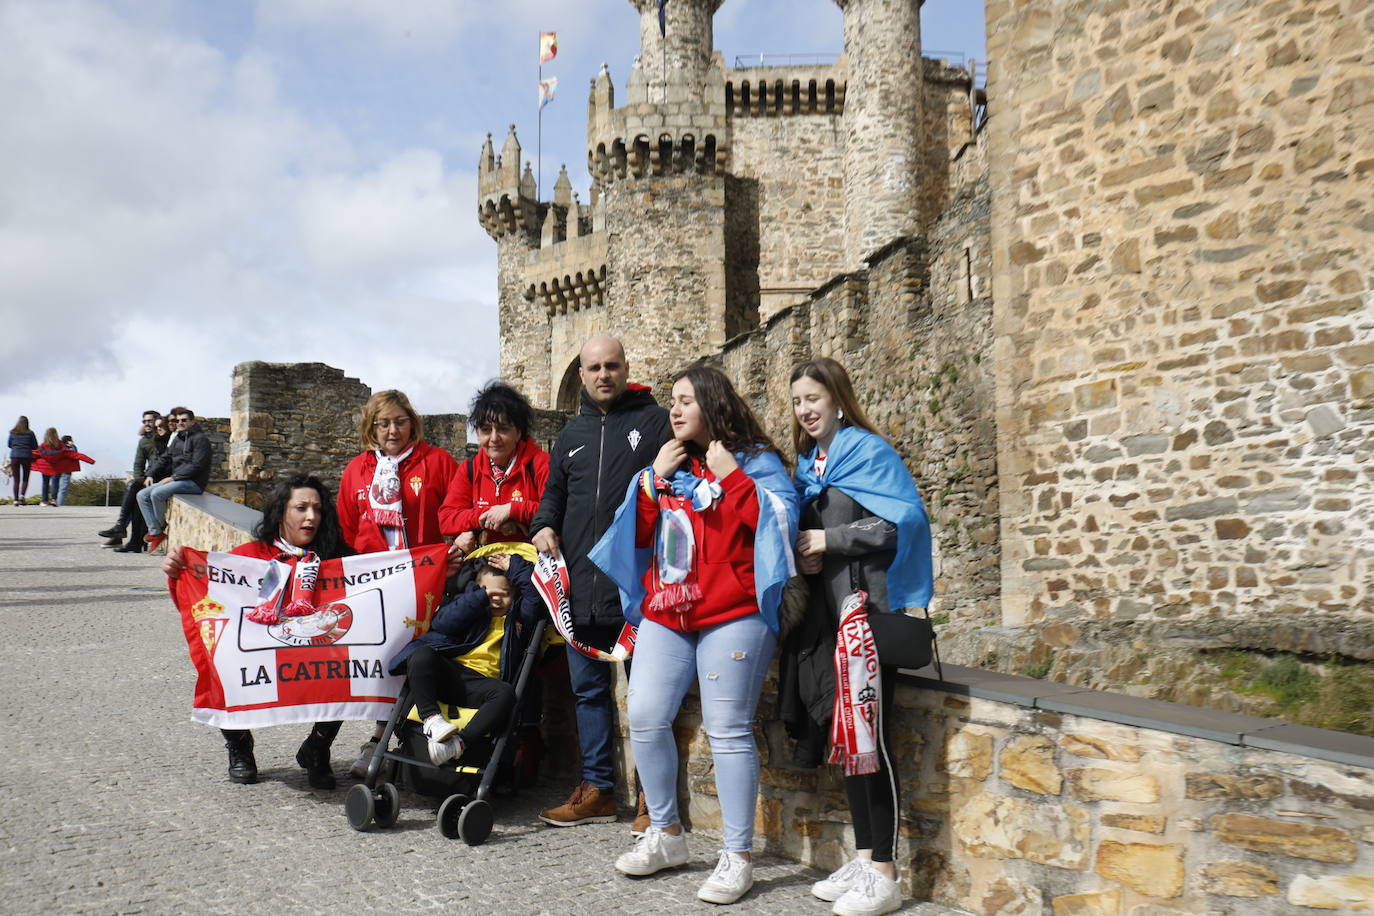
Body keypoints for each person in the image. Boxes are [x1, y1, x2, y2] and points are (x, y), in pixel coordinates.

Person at [591, 365, 797, 905]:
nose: (675, 411)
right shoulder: (667, 466)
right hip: (669, 612)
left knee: (728, 728)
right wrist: (650, 483)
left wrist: (732, 478)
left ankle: (736, 855)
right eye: (673, 403)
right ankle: (667, 833)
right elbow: (629, 537)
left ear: (713, 404)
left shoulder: (755, 463)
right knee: (644, 714)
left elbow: (778, 531)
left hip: (734, 612)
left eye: (685, 401)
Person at [783, 357, 933, 916]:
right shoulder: (810, 466)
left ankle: (886, 874)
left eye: (814, 399)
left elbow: (900, 523)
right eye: (797, 401)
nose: (805, 410)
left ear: (838, 399)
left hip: (868, 619)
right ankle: (867, 855)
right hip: (829, 623)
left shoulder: (869, 453)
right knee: (849, 743)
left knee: (874, 741)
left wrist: (829, 539)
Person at [529, 334, 671, 828]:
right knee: (587, 693)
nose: (603, 375)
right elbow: (554, 494)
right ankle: (598, 790)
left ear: (625, 367)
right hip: (580, 590)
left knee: (646, 695)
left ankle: (655, 798)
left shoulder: (653, 422)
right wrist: (543, 524)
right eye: (594, 368)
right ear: (583, 374)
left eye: (612, 366)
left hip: (635, 590)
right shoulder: (570, 434)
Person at [162, 474, 351, 788]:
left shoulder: (337, 558)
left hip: (312, 645)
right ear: (280, 513)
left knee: (348, 665)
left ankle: (317, 748)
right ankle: (239, 747)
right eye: (301, 508)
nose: (311, 517)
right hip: (261, 646)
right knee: (220, 663)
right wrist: (177, 575)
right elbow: (206, 601)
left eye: (317, 509)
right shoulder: (248, 557)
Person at [337, 389, 460, 777]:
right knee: (382, 664)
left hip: (428, 585)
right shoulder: (357, 469)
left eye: (400, 421)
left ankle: (404, 739)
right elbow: (346, 526)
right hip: (379, 588)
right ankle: (378, 739)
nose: (392, 430)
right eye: (383, 423)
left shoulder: (437, 462)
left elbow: (457, 514)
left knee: (420, 660)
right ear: (371, 427)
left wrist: (452, 554)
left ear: (413, 422)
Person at [387, 552, 542, 766]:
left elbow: (535, 597)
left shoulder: (519, 618)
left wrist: (517, 567)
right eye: (489, 592)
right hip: (453, 674)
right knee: (422, 655)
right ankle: (432, 720)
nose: (496, 598)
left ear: (514, 595)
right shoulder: (471, 607)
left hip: (483, 686)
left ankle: (459, 744)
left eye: (504, 593)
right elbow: (443, 623)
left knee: (506, 694)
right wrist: (479, 598)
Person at [439, 381, 550, 554]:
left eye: (503, 429)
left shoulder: (539, 463)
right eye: (485, 430)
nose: (494, 438)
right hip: (486, 564)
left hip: (533, 566)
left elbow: (556, 511)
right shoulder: (470, 468)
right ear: (477, 433)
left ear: (519, 432)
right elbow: (446, 518)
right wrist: (489, 516)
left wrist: (513, 510)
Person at [138, 408, 211, 552]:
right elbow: (165, 458)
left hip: (193, 482)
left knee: (157, 494)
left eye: (184, 420)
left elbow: (198, 465)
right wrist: (150, 474)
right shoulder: (178, 438)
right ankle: (156, 532)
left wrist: (174, 477)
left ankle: (159, 527)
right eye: (178, 420)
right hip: (178, 480)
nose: (180, 423)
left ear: (192, 422)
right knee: (142, 495)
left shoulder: (200, 439)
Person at [99, 410, 161, 547]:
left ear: (157, 421)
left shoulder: (162, 437)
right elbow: (138, 463)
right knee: (133, 485)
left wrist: (149, 477)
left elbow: (161, 461)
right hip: (148, 477)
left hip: (159, 477)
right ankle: (121, 529)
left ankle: (122, 531)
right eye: (144, 421)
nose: (147, 424)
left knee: (135, 490)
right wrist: (140, 478)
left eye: (150, 421)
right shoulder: (144, 440)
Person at [52, 435, 95, 506]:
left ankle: (55, 501)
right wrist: (73, 446)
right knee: (63, 488)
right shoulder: (70, 448)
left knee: (57, 487)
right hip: (66, 470)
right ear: (67, 441)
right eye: (71, 440)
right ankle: (60, 504)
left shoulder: (58, 447)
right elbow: (76, 455)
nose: (72, 442)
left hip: (57, 469)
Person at [7, 416, 38, 505]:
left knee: (16, 480)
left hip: (15, 456)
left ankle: (15, 499)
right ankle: (22, 496)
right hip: (26, 456)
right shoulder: (30, 433)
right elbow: (35, 446)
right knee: (25, 478)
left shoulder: (12, 433)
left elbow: (9, 445)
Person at [31, 428, 64, 506]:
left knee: (45, 483)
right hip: (56, 466)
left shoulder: (43, 445)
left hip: (45, 466)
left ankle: (44, 501)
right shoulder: (60, 444)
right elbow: (65, 452)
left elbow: (37, 453)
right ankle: (54, 499)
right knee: (55, 483)